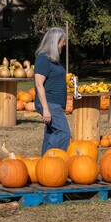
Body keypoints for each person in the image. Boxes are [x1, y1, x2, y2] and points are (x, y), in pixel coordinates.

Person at [34, 27, 70, 155]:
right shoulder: (43, 58)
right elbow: (39, 84)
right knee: (63, 132)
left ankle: (44, 164)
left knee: (51, 132)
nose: (64, 44)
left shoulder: (53, 60)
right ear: (55, 42)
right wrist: (46, 109)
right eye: (63, 41)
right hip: (49, 103)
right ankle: (53, 162)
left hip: (54, 104)